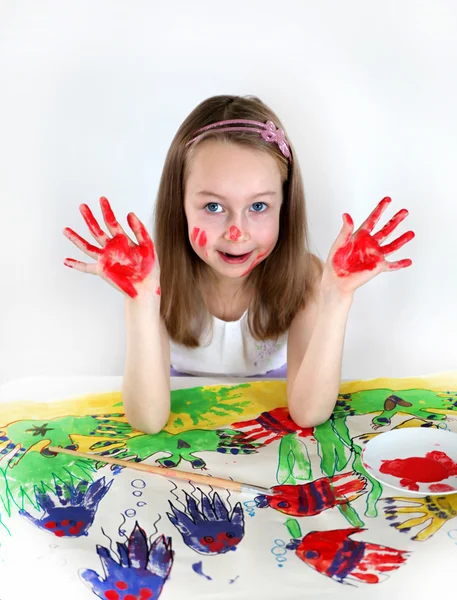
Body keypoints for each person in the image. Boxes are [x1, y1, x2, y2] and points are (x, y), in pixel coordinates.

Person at [63, 95, 415, 434]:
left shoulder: (305, 277)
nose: (237, 232)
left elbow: (308, 413)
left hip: (269, 432)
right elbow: (149, 420)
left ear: (284, 207)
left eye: (258, 207)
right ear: (180, 205)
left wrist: (337, 297)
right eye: (214, 207)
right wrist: (140, 299)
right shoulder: (156, 277)